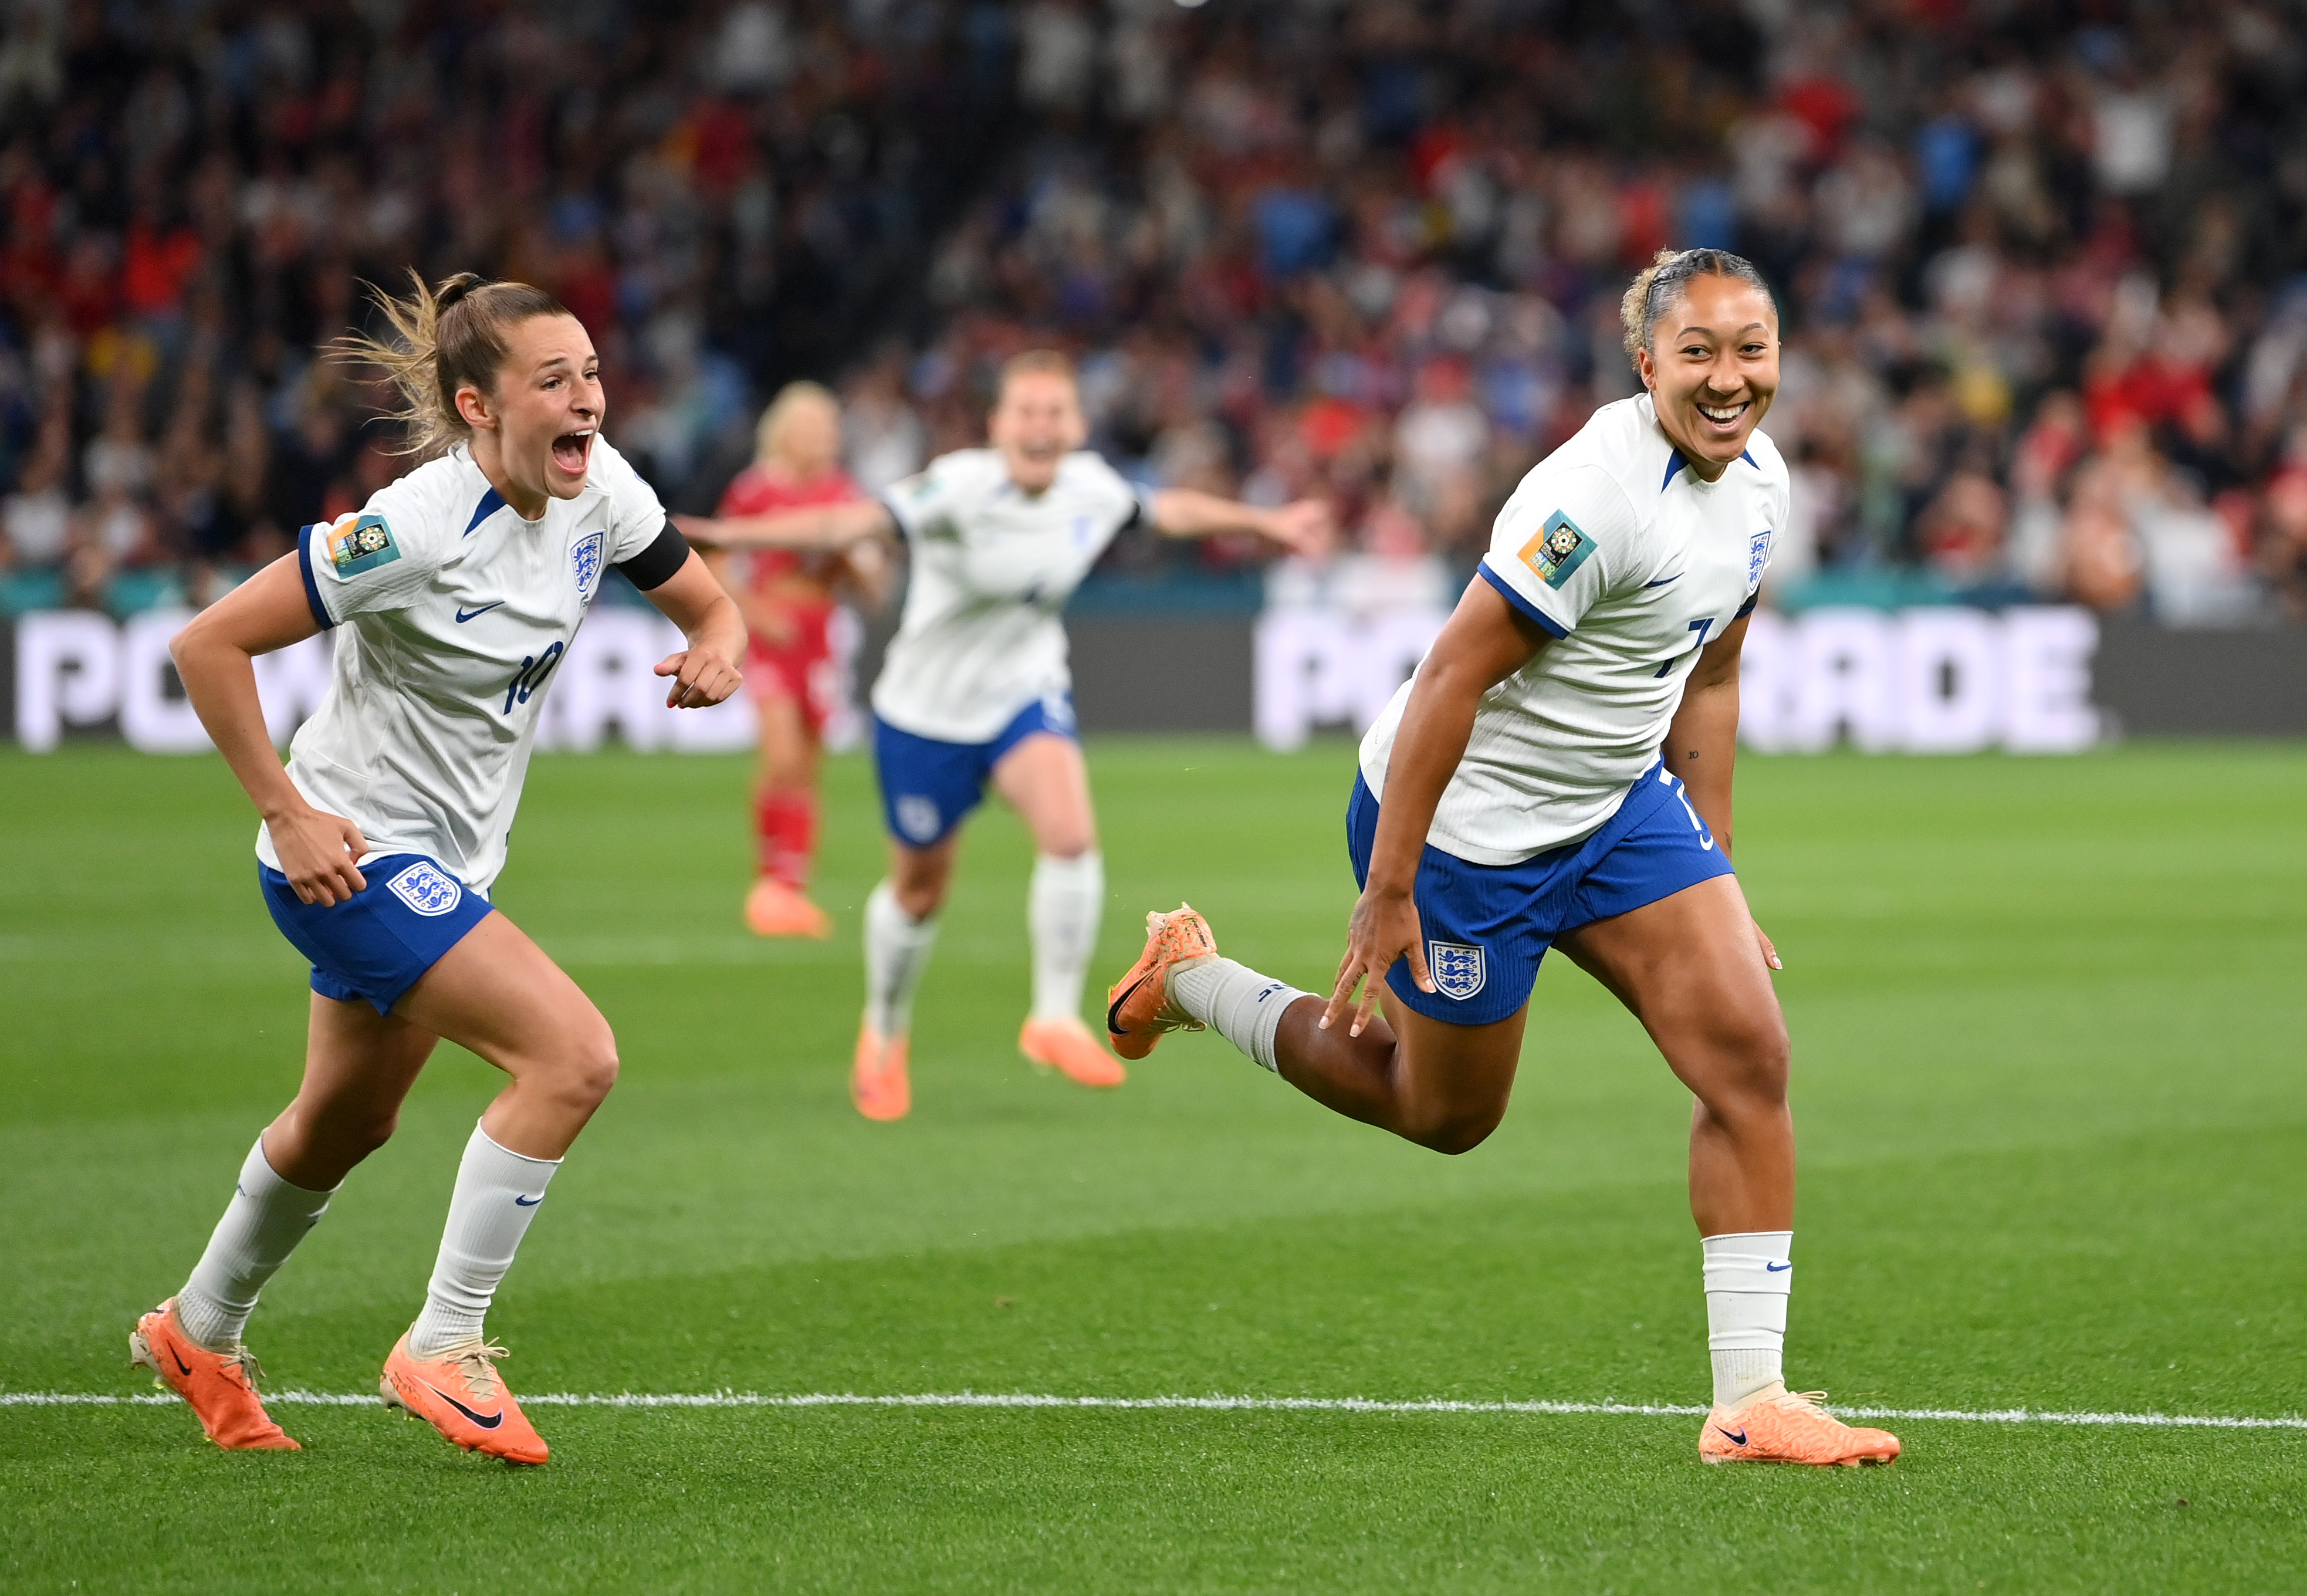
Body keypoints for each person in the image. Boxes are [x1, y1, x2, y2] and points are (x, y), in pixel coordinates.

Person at [1107, 250, 1902, 1468]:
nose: (1729, 377)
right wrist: (1388, 889)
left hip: (1616, 810)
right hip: (1465, 837)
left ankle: (1751, 1403)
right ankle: (1193, 982)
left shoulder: (1761, 486)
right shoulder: (1592, 500)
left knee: (1749, 1055)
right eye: (1698, 352)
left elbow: (1716, 672)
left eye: (1752, 349)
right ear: (1648, 365)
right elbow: (1449, 678)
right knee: (1440, 1114)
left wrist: (1718, 873)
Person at [134, 273, 744, 1464]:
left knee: (346, 1120)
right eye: (554, 380)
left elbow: (710, 609)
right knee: (573, 1057)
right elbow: (207, 642)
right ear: (477, 405)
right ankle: (444, 1340)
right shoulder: (411, 525)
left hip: (452, 865)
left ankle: (197, 1329)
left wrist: (717, 651)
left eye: (592, 373)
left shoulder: (600, 486)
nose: (589, 400)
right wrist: (288, 810)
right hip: (350, 856)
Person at [682, 350, 1330, 1121]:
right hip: (925, 712)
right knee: (921, 890)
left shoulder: (1092, 487)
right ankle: (884, 1032)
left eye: (1055, 413)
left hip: (1024, 693)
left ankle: (1052, 1018)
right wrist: (732, 532)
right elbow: (848, 522)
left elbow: (1173, 511)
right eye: (1026, 412)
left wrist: (1269, 523)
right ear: (999, 426)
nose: (1041, 426)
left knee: (1070, 835)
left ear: (1076, 426)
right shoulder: (957, 486)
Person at [705, 381, 886, 939]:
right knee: (781, 755)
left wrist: (851, 561)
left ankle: (791, 890)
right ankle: (769, 885)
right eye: (810, 427)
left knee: (808, 766)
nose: (821, 438)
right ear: (785, 432)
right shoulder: (757, 490)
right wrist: (755, 613)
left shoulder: (845, 495)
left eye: (828, 428)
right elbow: (717, 559)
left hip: (820, 636)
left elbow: (875, 588)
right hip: (774, 636)